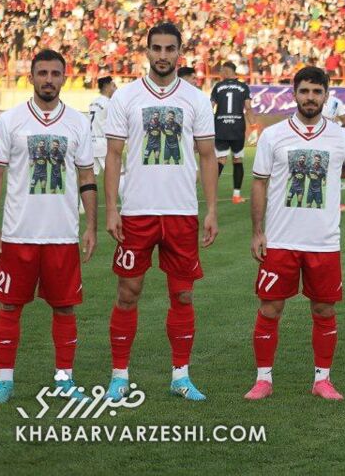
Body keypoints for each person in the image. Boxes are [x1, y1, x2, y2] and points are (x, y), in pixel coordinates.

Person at [244, 67, 345, 401]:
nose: (311, 97)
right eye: (305, 91)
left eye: (317, 92)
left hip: (323, 242)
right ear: (294, 93)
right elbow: (259, 182)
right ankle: (263, 379)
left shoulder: (339, 137)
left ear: (326, 95)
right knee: (270, 309)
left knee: (324, 311)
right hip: (280, 240)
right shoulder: (274, 135)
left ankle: (322, 379)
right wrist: (257, 232)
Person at [102, 22, 219, 402]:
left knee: (183, 295)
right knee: (128, 291)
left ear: (180, 52)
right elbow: (114, 155)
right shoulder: (127, 98)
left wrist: (211, 209)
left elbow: (206, 156)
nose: (164, 55)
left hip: (181, 211)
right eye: (157, 48)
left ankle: (180, 376)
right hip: (137, 210)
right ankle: (119, 376)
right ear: (147, 52)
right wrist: (112, 209)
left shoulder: (197, 100)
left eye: (171, 49)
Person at [0, 50, 96, 405]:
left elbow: (87, 175)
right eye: (43, 73)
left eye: (55, 73)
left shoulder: (78, 122)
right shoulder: (11, 120)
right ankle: (5, 383)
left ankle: (63, 379)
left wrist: (90, 226)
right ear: (30, 77)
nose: (49, 79)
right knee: (9, 307)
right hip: (18, 235)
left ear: (65, 77)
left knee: (64, 308)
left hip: (62, 234)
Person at [211, 61, 254, 204]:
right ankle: (236, 196)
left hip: (220, 127)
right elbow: (248, 108)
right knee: (237, 160)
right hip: (237, 128)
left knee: (220, 160)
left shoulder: (218, 86)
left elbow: (210, 107)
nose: (220, 73)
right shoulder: (243, 87)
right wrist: (253, 125)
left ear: (227, 71)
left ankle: (211, 194)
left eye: (222, 70)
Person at [88, 76, 117, 177]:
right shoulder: (110, 104)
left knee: (91, 176)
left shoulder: (92, 103)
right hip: (103, 145)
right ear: (106, 87)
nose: (115, 88)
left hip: (91, 143)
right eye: (113, 86)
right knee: (116, 175)